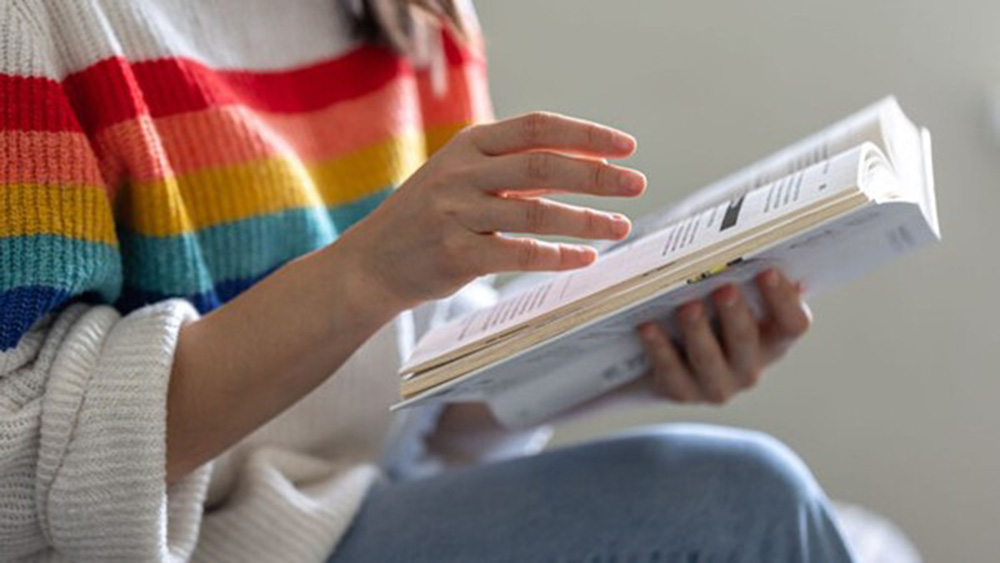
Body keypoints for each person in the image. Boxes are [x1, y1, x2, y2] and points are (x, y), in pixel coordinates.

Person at [0, 0, 855, 561]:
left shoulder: (411, 16)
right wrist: (366, 271)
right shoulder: (34, 23)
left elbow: (404, 402)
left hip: (361, 506)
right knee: (743, 502)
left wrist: (621, 359)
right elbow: (16, 462)